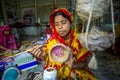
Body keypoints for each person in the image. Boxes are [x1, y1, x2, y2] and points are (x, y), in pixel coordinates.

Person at [30, 8, 97, 80]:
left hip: (74, 72)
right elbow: (47, 60)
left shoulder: (79, 40)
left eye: (63, 22)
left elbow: (84, 63)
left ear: (70, 22)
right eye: (56, 24)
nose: (60, 27)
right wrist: (42, 55)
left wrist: (73, 65)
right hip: (56, 73)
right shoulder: (52, 41)